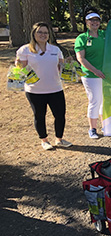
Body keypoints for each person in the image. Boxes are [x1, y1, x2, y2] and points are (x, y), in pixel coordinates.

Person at [15, 22, 72, 150]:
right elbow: (22, 70)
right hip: (35, 90)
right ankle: (44, 140)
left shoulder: (55, 50)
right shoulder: (25, 50)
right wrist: (18, 65)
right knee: (39, 115)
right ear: (34, 34)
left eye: (46, 32)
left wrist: (67, 64)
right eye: (40, 32)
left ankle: (59, 139)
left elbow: (61, 68)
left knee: (60, 115)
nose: (43, 35)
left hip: (55, 88)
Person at [74, 8, 106, 139]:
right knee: (95, 100)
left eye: (96, 20)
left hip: (105, 74)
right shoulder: (82, 38)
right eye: (91, 20)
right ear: (86, 22)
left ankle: (106, 126)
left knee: (105, 101)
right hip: (91, 76)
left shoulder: (104, 35)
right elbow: (81, 58)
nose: (94, 22)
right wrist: (95, 71)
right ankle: (92, 129)